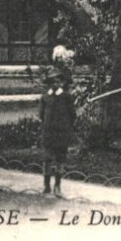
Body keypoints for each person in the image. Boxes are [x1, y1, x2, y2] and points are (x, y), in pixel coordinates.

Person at [39, 68, 75, 197]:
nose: (55, 84)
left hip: (62, 133)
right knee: (47, 159)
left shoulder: (66, 97)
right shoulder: (45, 97)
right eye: (52, 82)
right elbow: (41, 115)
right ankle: (46, 186)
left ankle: (57, 186)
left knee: (60, 160)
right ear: (48, 83)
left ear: (62, 82)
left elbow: (72, 115)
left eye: (58, 81)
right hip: (48, 133)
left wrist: (66, 128)